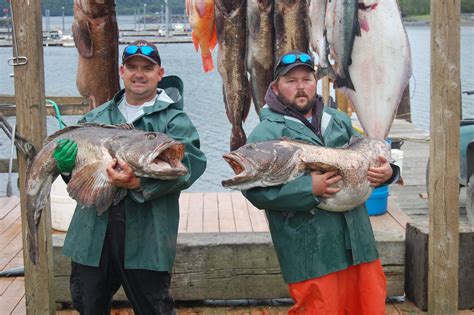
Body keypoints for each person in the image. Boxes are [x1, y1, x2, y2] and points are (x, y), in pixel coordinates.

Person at [53, 40, 207, 314]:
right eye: (132, 67)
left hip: (147, 235)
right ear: (121, 72)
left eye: (147, 68)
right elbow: (79, 182)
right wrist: (67, 168)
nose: (139, 74)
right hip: (93, 233)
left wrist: (139, 183)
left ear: (160, 73)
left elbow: (191, 165)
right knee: (87, 304)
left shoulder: (175, 121)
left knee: (153, 307)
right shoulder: (95, 118)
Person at [242, 50, 399, 314]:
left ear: (316, 82)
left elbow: (367, 159)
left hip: (359, 245)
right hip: (311, 253)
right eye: (290, 81)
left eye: (306, 78)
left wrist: (388, 173)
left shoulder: (338, 120)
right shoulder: (267, 133)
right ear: (275, 87)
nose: (300, 86)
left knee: (370, 306)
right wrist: (308, 189)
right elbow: (254, 190)